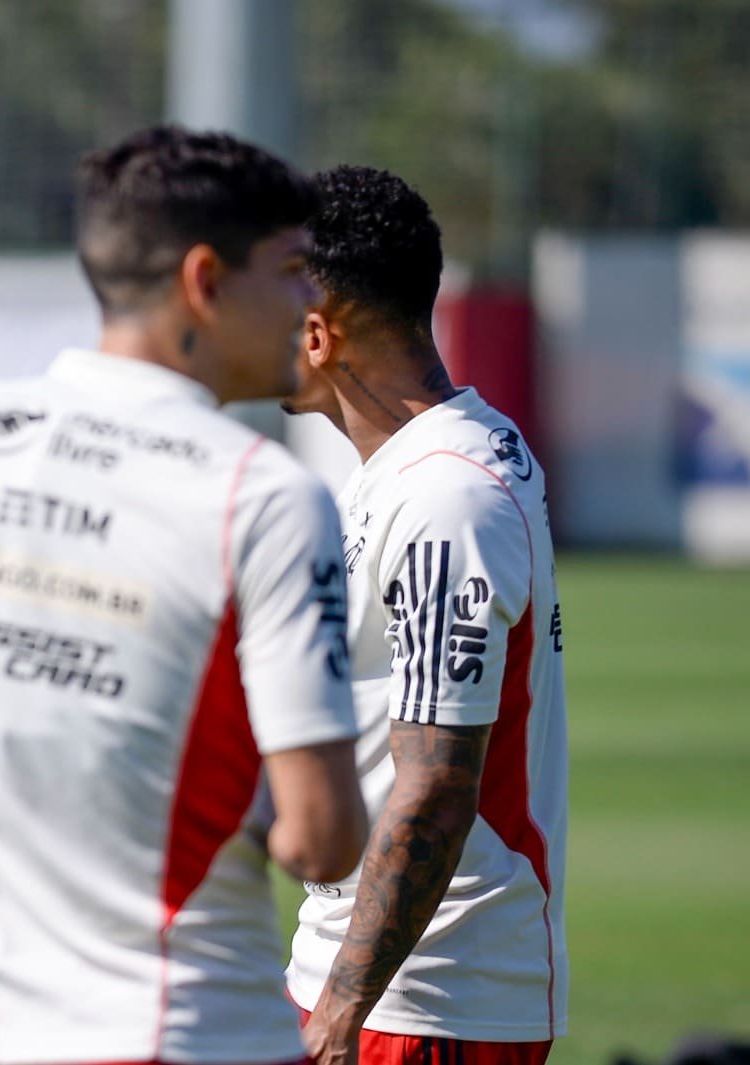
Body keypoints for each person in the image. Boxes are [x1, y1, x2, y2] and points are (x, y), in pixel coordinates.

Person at [0, 125, 369, 1065]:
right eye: (291, 269)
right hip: (197, 1035)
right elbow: (322, 838)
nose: (311, 299)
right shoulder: (267, 495)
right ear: (205, 280)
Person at [280, 165, 568, 1065]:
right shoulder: (421, 467)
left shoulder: (448, 494)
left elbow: (439, 782)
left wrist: (342, 1009)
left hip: (423, 1006)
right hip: (379, 990)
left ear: (319, 333)